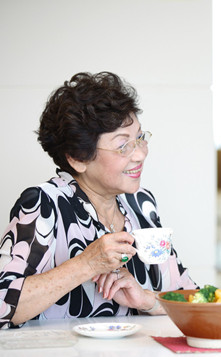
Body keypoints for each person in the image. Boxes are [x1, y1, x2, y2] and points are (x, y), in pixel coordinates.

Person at [0, 72, 198, 329]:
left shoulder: (141, 204)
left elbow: (193, 299)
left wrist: (147, 300)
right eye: (122, 146)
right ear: (78, 158)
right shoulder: (43, 204)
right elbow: (3, 303)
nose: (140, 155)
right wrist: (86, 263)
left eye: (140, 138)